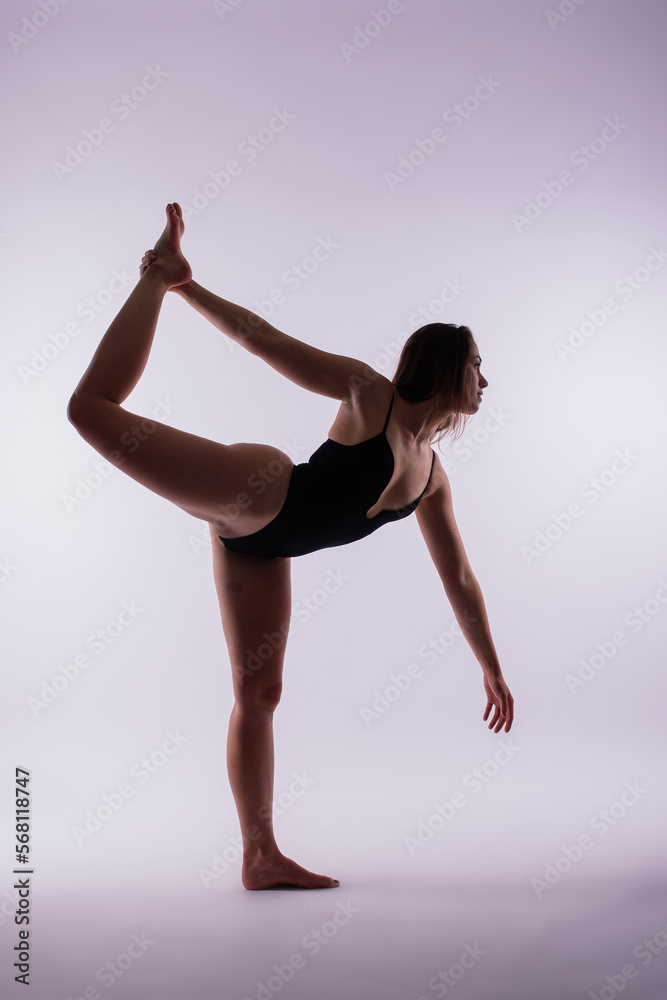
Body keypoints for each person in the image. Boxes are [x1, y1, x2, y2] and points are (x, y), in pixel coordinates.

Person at [67, 203, 514, 891]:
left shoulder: (432, 479)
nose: (485, 380)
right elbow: (264, 340)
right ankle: (155, 276)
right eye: (477, 365)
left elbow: (458, 578)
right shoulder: (371, 395)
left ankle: (259, 856)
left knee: (260, 692)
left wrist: (489, 666)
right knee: (91, 410)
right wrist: (185, 287)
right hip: (256, 493)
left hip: (263, 548)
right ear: (448, 365)